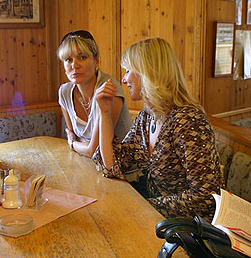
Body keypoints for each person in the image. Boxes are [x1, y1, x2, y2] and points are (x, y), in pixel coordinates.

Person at [94, 37, 223, 219]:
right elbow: (113, 165)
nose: (123, 79)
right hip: (157, 218)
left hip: (191, 229)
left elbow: (205, 198)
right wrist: (104, 113)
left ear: (147, 73)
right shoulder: (147, 117)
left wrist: (142, 205)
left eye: (129, 70)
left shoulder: (188, 121)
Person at [57, 30, 132, 157]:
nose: (74, 65)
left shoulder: (108, 88)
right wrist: (79, 143)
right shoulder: (64, 92)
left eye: (82, 57)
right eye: (69, 59)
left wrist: (72, 144)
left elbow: (94, 150)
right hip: (87, 163)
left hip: (122, 168)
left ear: (96, 61)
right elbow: (73, 135)